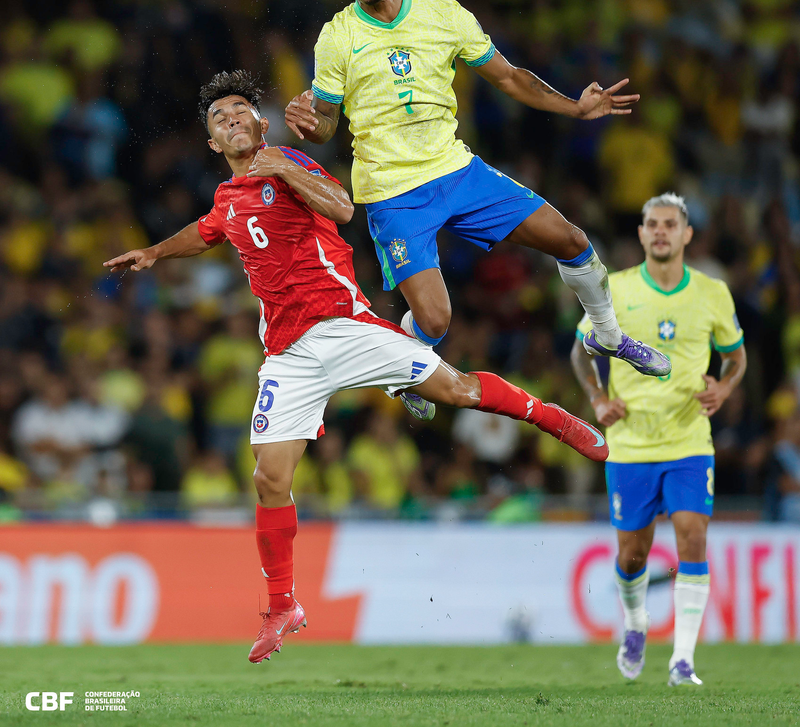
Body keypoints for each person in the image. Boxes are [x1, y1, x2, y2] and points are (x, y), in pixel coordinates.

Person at [104, 71, 609, 665]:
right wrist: (156, 251)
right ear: (212, 143)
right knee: (269, 478)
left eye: (241, 109)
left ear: (261, 123)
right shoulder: (227, 199)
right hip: (288, 354)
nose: (232, 118)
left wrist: (284, 167)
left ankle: (558, 421)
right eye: (220, 117)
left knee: (456, 390)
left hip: (343, 324)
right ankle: (282, 606)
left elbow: (343, 207)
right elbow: (207, 231)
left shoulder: (289, 161)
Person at [284, 0, 670, 424]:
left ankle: (609, 335)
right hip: (392, 192)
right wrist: (310, 125)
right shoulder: (338, 36)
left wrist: (574, 107)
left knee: (572, 239)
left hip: (457, 171)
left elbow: (508, 77)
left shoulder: (444, 15)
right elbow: (327, 124)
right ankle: (403, 369)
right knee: (434, 321)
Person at [570, 193, 747, 687]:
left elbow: (736, 357)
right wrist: (598, 398)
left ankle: (683, 661)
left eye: (671, 224)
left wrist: (724, 387)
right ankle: (635, 623)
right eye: (653, 224)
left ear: (687, 234)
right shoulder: (617, 289)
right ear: (641, 233)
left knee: (693, 535)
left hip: (689, 441)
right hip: (630, 444)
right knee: (633, 555)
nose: (661, 231)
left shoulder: (712, 292)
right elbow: (581, 352)